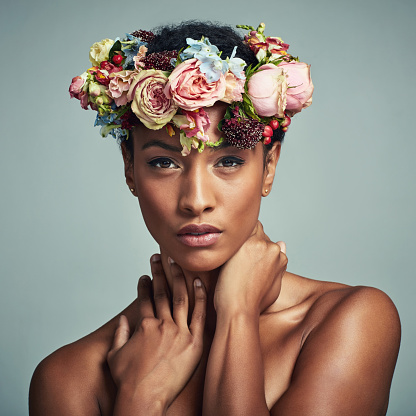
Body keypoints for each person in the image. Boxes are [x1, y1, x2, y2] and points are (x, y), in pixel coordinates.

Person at [29, 21, 401, 415]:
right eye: (163, 162)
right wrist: (141, 398)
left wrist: (237, 314)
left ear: (269, 168)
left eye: (228, 161)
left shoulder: (349, 322)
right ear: (130, 170)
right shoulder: (70, 377)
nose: (196, 200)